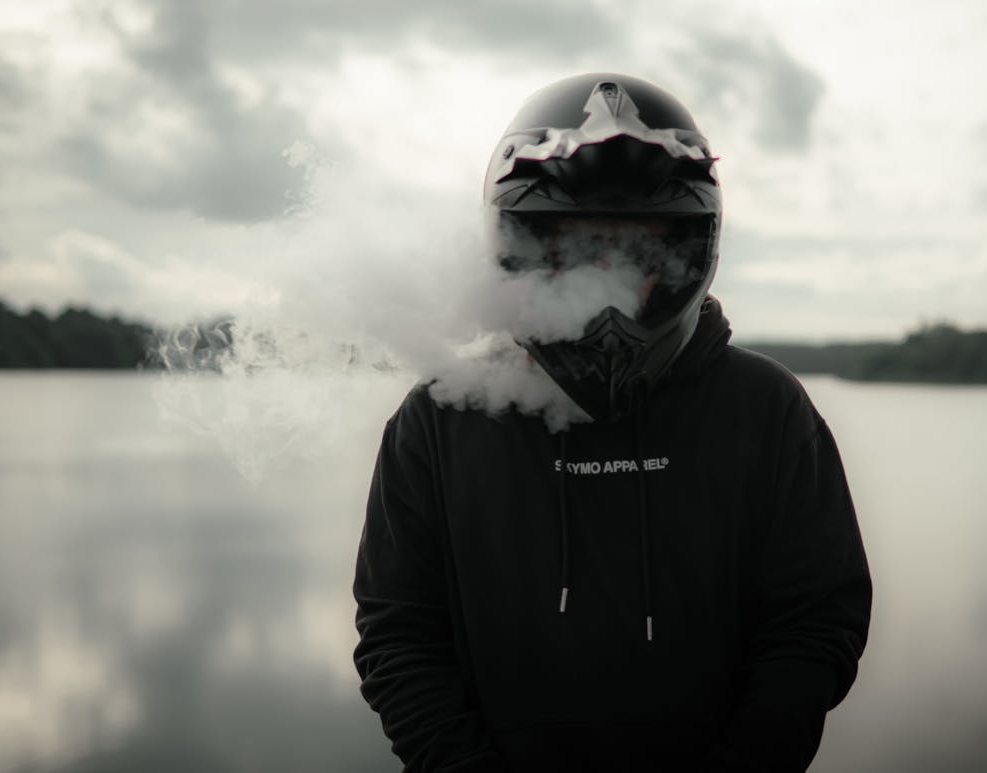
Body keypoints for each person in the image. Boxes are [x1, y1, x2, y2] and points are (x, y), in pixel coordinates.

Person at [353, 72, 872, 773]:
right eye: (570, 245)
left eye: (640, 246)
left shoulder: (766, 408)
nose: (609, 277)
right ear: (516, 248)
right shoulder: (445, 412)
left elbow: (815, 623)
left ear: (693, 251)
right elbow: (400, 633)